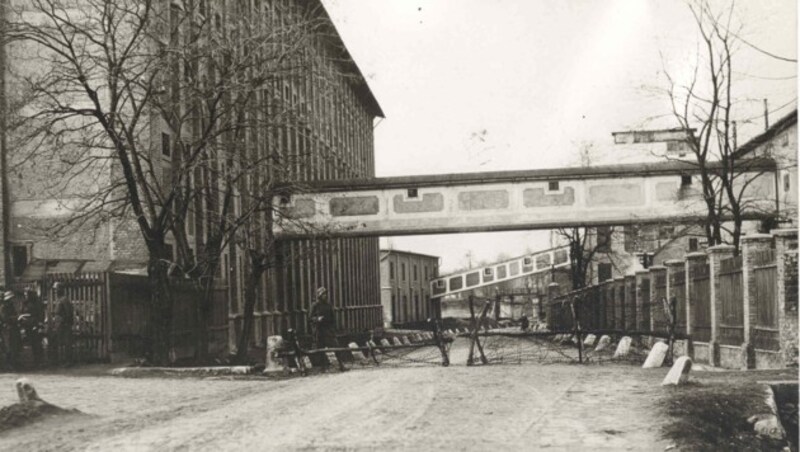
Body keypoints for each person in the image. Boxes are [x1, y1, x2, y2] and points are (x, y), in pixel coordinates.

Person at [308, 287, 345, 371]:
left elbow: (333, 318)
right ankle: (323, 367)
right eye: (323, 294)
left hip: (328, 330)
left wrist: (333, 328)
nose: (325, 296)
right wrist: (317, 319)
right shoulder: (315, 305)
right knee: (321, 349)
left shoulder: (328, 305)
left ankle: (341, 365)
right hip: (319, 330)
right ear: (319, 296)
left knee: (336, 347)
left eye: (325, 294)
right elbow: (310, 318)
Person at [20, 288, 45, 366]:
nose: (26, 296)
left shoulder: (37, 303)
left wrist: (38, 325)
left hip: (35, 325)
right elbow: (21, 312)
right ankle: (32, 361)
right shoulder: (24, 303)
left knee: (37, 344)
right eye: (25, 294)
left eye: (27, 294)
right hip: (27, 326)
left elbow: (41, 314)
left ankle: (39, 361)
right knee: (29, 344)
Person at [52, 283, 74, 365]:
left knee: (67, 343)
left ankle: (68, 361)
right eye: (54, 290)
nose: (55, 291)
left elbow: (69, 313)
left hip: (64, 325)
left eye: (56, 289)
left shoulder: (64, 300)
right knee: (58, 343)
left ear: (61, 289)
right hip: (59, 325)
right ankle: (59, 360)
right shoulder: (59, 300)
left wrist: (65, 323)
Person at [1, 290, 22, 369]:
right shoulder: (3, 307)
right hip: (7, 329)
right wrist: (16, 318)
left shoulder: (11, 306)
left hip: (13, 328)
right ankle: (9, 364)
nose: (12, 300)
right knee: (8, 346)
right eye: (11, 298)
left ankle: (14, 362)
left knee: (15, 345)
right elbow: (5, 318)